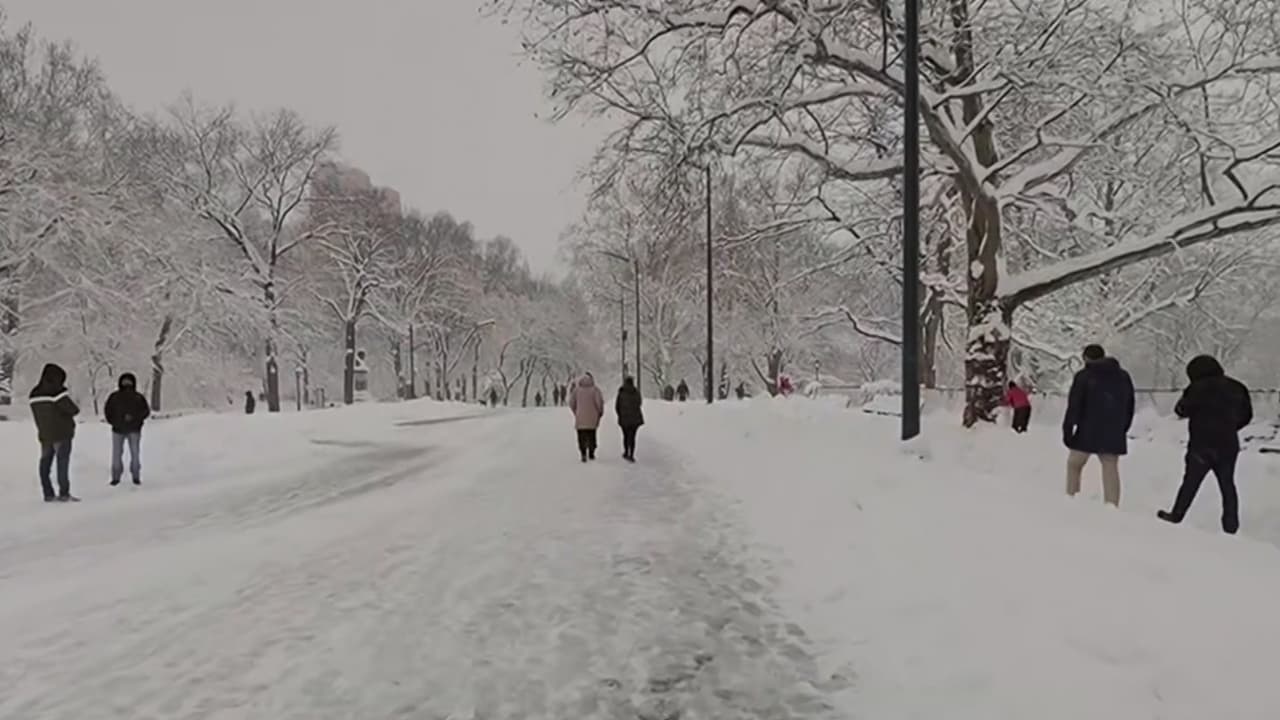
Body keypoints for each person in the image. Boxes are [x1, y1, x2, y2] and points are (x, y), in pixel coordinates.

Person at [1157, 355, 1252, 534]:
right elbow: (1247, 415)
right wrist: (1231, 426)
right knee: (1227, 484)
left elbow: (1181, 410)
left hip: (1201, 443)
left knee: (1190, 482)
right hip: (1228, 443)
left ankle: (1177, 514)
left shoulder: (1196, 388)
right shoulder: (1237, 387)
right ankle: (1230, 525)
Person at [1062, 344, 1135, 506]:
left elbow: (1074, 405)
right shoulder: (1123, 376)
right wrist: (1122, 427)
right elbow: (1129, 404)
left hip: (1087, 430)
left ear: (1086, 358)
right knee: (1110, 467)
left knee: (1074, 464)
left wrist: (1068, 430)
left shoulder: (1084, 376)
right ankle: (1112, 505)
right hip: (1113, 430)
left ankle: (1071, 498)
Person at [29, 363, 80, 502]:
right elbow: (74, 409)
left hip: (45, 434)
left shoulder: (34, 393)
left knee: (45, 463)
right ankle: (64, 493)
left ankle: (48, 493)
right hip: (62, 433)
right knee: (62, 464)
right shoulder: (57, 393)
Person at [104, 372, 151, 486]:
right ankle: (116, 477)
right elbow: (108, 411)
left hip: (133, 430)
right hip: (118, 430)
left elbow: (145, 411)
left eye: (128, 381)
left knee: (135, 454)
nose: (126, 383)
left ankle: (135, 476)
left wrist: (135, 419)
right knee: (117, 455)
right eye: (125, 381)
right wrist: (115, 421)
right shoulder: (115, 397)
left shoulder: (138, 397)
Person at [569, 372, 605, 462]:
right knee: (592, 434)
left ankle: (583, 453)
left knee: (581, 435)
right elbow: (599, 403)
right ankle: (591, 452)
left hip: (580, 417)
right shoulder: (595, 390)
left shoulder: (576, 391)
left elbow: (571, 403)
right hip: (592, 418)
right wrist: (600, 412)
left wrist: (576, 412)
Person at [615, 376, 644, 462]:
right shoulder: (636, 392)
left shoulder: (621, 392)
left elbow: (617, 406)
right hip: (635, 419)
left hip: (624, 418)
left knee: (626, 436)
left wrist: (620, 414)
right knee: (632, 437)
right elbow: (639, 403)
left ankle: (626, 452)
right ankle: (631, 454)